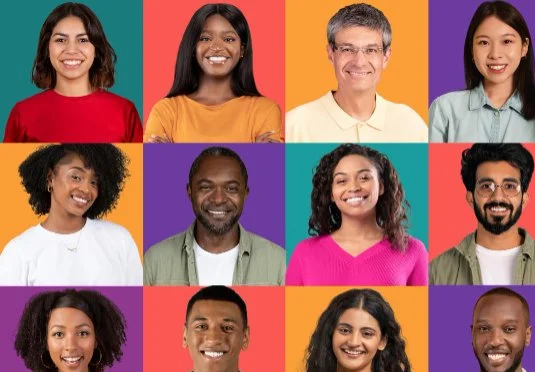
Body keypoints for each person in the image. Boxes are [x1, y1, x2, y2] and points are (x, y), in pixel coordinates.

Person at [0, 144, 141, 286]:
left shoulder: (119, 240)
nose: (86, 189)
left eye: (94, 182)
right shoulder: (18, 252)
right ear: (50, 178)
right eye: (76, 177)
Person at [286, 144, 428, 285]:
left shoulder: (413, 250)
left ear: (381, 186)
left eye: (364, 178)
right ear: (331, 194)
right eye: (342, 181)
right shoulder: (304, 253)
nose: (353, 187)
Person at [143, 286, 285, 372]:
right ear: (185, 335)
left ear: (245, 337)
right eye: (202, 326)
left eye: (227, 328)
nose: (213, 338)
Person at [429, 1, 535, 143]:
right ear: (471, 48)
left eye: (507, 41)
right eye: (484, 42)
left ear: (524, 47)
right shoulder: (444, 110)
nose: (495, 54)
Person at [285, 3, 428, 143]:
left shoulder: (411, 125)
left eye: (370, 50)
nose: (359, 62)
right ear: (331, 54)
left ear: (385, 57)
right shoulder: (294, 126)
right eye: (347, 49)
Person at [143, 146, 286, 285]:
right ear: (190, 191)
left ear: (245, 193)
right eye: (206, 187)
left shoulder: (278, 263)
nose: (218, 199)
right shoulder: (155, 262)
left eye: (231, 188)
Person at [287, 288, 428, 372]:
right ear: (331, 334)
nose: (354, 342)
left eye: (367, 333)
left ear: (382, 342)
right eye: (344, 330)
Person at [430, 143, 535, 285]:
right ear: (470, 199)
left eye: (509, 186)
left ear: (524, 199)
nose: (497, 197)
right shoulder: (437, 271)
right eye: (486, 186)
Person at [4, 2, 142, 143]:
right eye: (61, 40)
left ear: (96, 49)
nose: (71, 50)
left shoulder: (125, 111)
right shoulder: (22, 113)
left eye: (83, 40)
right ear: (47, 47)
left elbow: (143, 165)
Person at [145, 3, 283, 143]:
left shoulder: (265, 111)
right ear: (193, 48)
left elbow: (268, 164)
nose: (217, 47)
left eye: (228, 39)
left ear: (242, 50)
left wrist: (171, 155)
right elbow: (155, 164)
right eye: (205, 38)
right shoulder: (166, 111)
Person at [4, 289, 137, 372]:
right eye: (59, 334)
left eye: (83, 333)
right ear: (45, 341)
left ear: (97, 339)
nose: (71, 346)